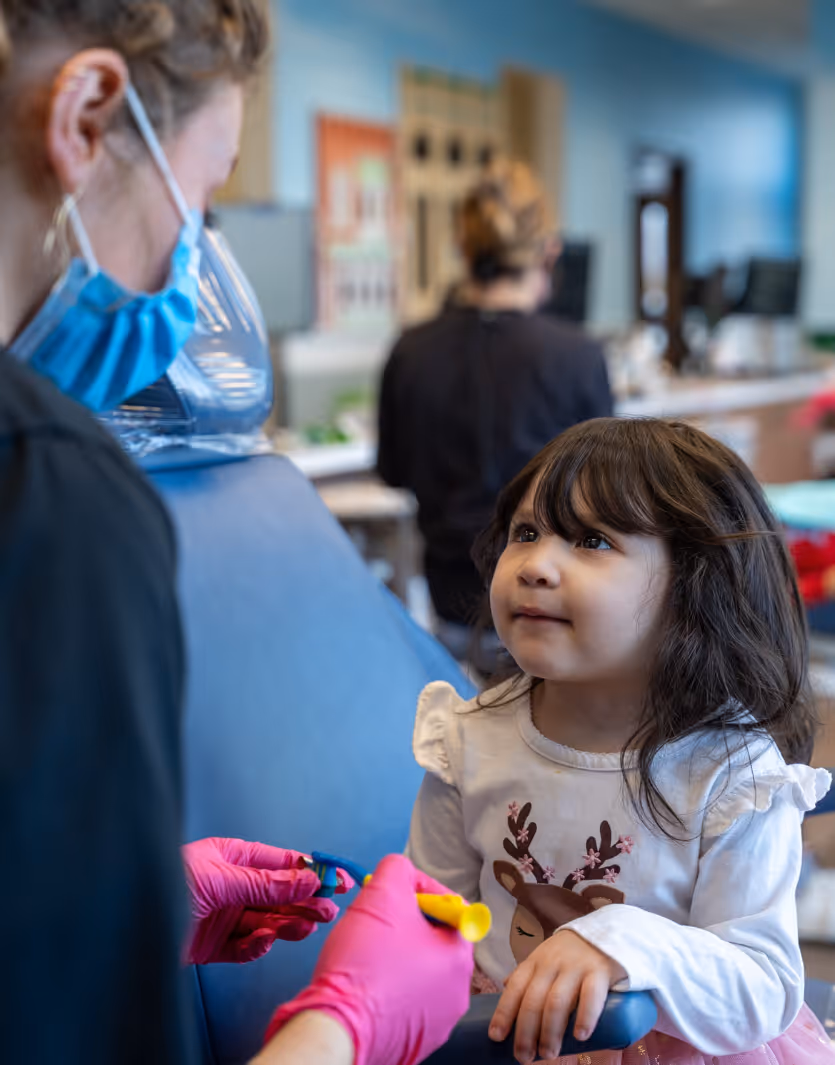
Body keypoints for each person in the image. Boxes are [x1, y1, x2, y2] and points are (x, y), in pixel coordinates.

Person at [0, 3, 472, 1062]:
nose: (191, 263)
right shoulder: (49, 496)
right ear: (83, 115)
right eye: (200, 197)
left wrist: (129, 905)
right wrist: (343, 1027)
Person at [406, 416, 834, 1065]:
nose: (535, 565)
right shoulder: (467, 737)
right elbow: (428, 914)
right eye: (526, 532)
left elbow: (761, 988)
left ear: (693, 585)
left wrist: (623, 941)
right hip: (505, 1041)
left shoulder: (732, 773)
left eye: (591, 540)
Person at [378, 160, 613, 668]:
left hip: (451, 614)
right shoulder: (578, 356)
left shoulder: (410, 352)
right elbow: (608, 495)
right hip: (547, 614)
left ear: (463, 250)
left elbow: (393, 471)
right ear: (548, 252)